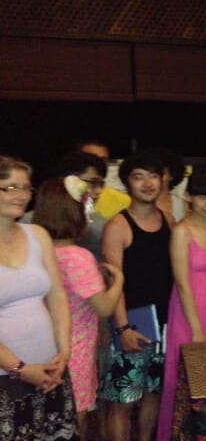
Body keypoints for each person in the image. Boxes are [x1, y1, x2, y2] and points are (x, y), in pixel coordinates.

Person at [32, 176, 124, 441]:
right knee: (75, 421)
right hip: (75, 351)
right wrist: (118, 280)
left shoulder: (36, 249)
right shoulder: (78, 257)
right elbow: (104, 307)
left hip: (41, 348)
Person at [0, 156, 78, 440]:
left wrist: (64, 353)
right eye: (11, 187)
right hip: (6, 377)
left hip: (51, 370)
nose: (22, 195)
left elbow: (57, 296)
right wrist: (18, 369)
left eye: (26, 188)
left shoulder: (37, 234)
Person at [156, 166, 206, 441]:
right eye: (202, 197)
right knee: (184, 377)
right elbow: (181, 283)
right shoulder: (182, 231)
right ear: (189, 197)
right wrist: (196, 330)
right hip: (189, 310)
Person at [98, 150, 173, 441]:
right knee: (123, 400)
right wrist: (123, 329)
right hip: (131, 324)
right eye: (138, 177)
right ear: (127, 183)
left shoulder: (168, 219)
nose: (147, 183)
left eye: (153, 176)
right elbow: (113, 282)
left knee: (154, 393)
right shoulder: (117, 226)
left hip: (164, 324)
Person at [76, 139, 131, 220]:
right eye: (91, 158)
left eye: (103, 160)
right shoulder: (60, 198)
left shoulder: (124, 201)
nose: (98, 163)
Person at [147, 146, 188, 223]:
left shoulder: (182, 205)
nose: (156, 178)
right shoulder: (132, 202)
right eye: (152, 174)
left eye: (161, 173)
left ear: (171, 175)